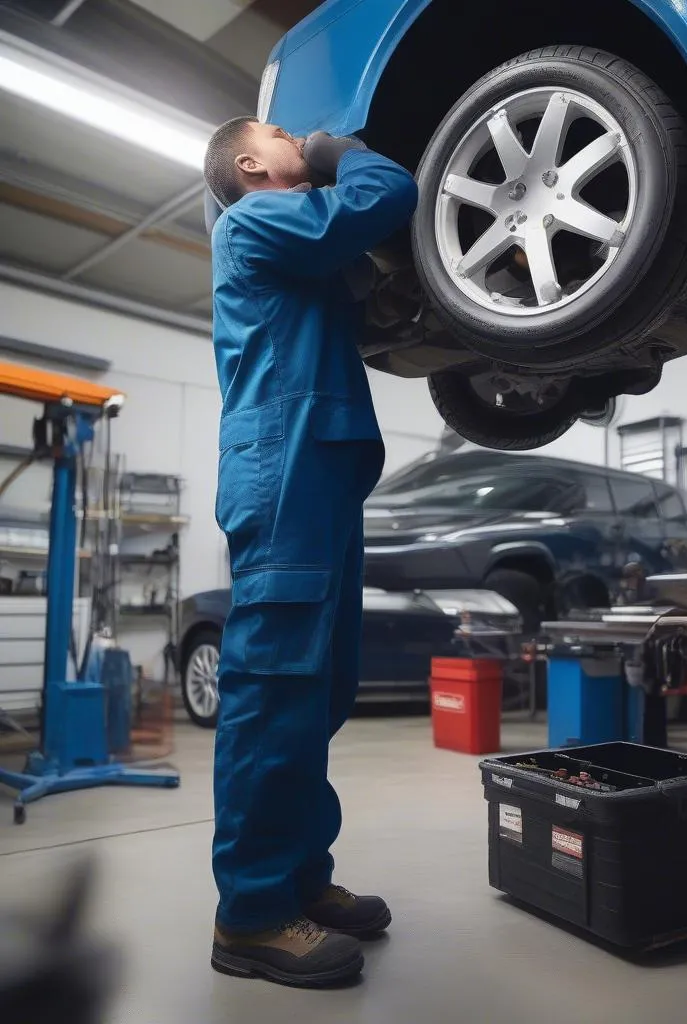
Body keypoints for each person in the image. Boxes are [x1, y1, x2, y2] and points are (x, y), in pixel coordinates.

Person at [201, 117, 418, 987]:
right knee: (273, 690)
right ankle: (250, 915)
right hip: (282, 469)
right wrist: (344, 154)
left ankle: (300, 880)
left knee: (317, 691)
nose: (301, 136)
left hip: (317, 468)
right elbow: (381, 197)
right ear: (252, 164)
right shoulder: (253, 220)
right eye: (284, 133)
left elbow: (369, 286)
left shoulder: (291, 245)